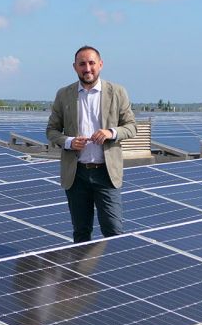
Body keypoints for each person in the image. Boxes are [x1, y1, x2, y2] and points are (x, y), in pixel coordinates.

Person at [46, 45, 136, 243]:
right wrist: (69, 142)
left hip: (106, 173)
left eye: (91, 63)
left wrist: (111, 133)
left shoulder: (117, 92)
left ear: (101, 65)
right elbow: (51, 131)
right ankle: (83, 274)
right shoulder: (64, 94)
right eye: (82, 64)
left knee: (113, 231)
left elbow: (131, 127)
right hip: (76, 175)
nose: (87, 68)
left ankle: (114, 273)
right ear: (75, 67)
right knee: (81, 233)